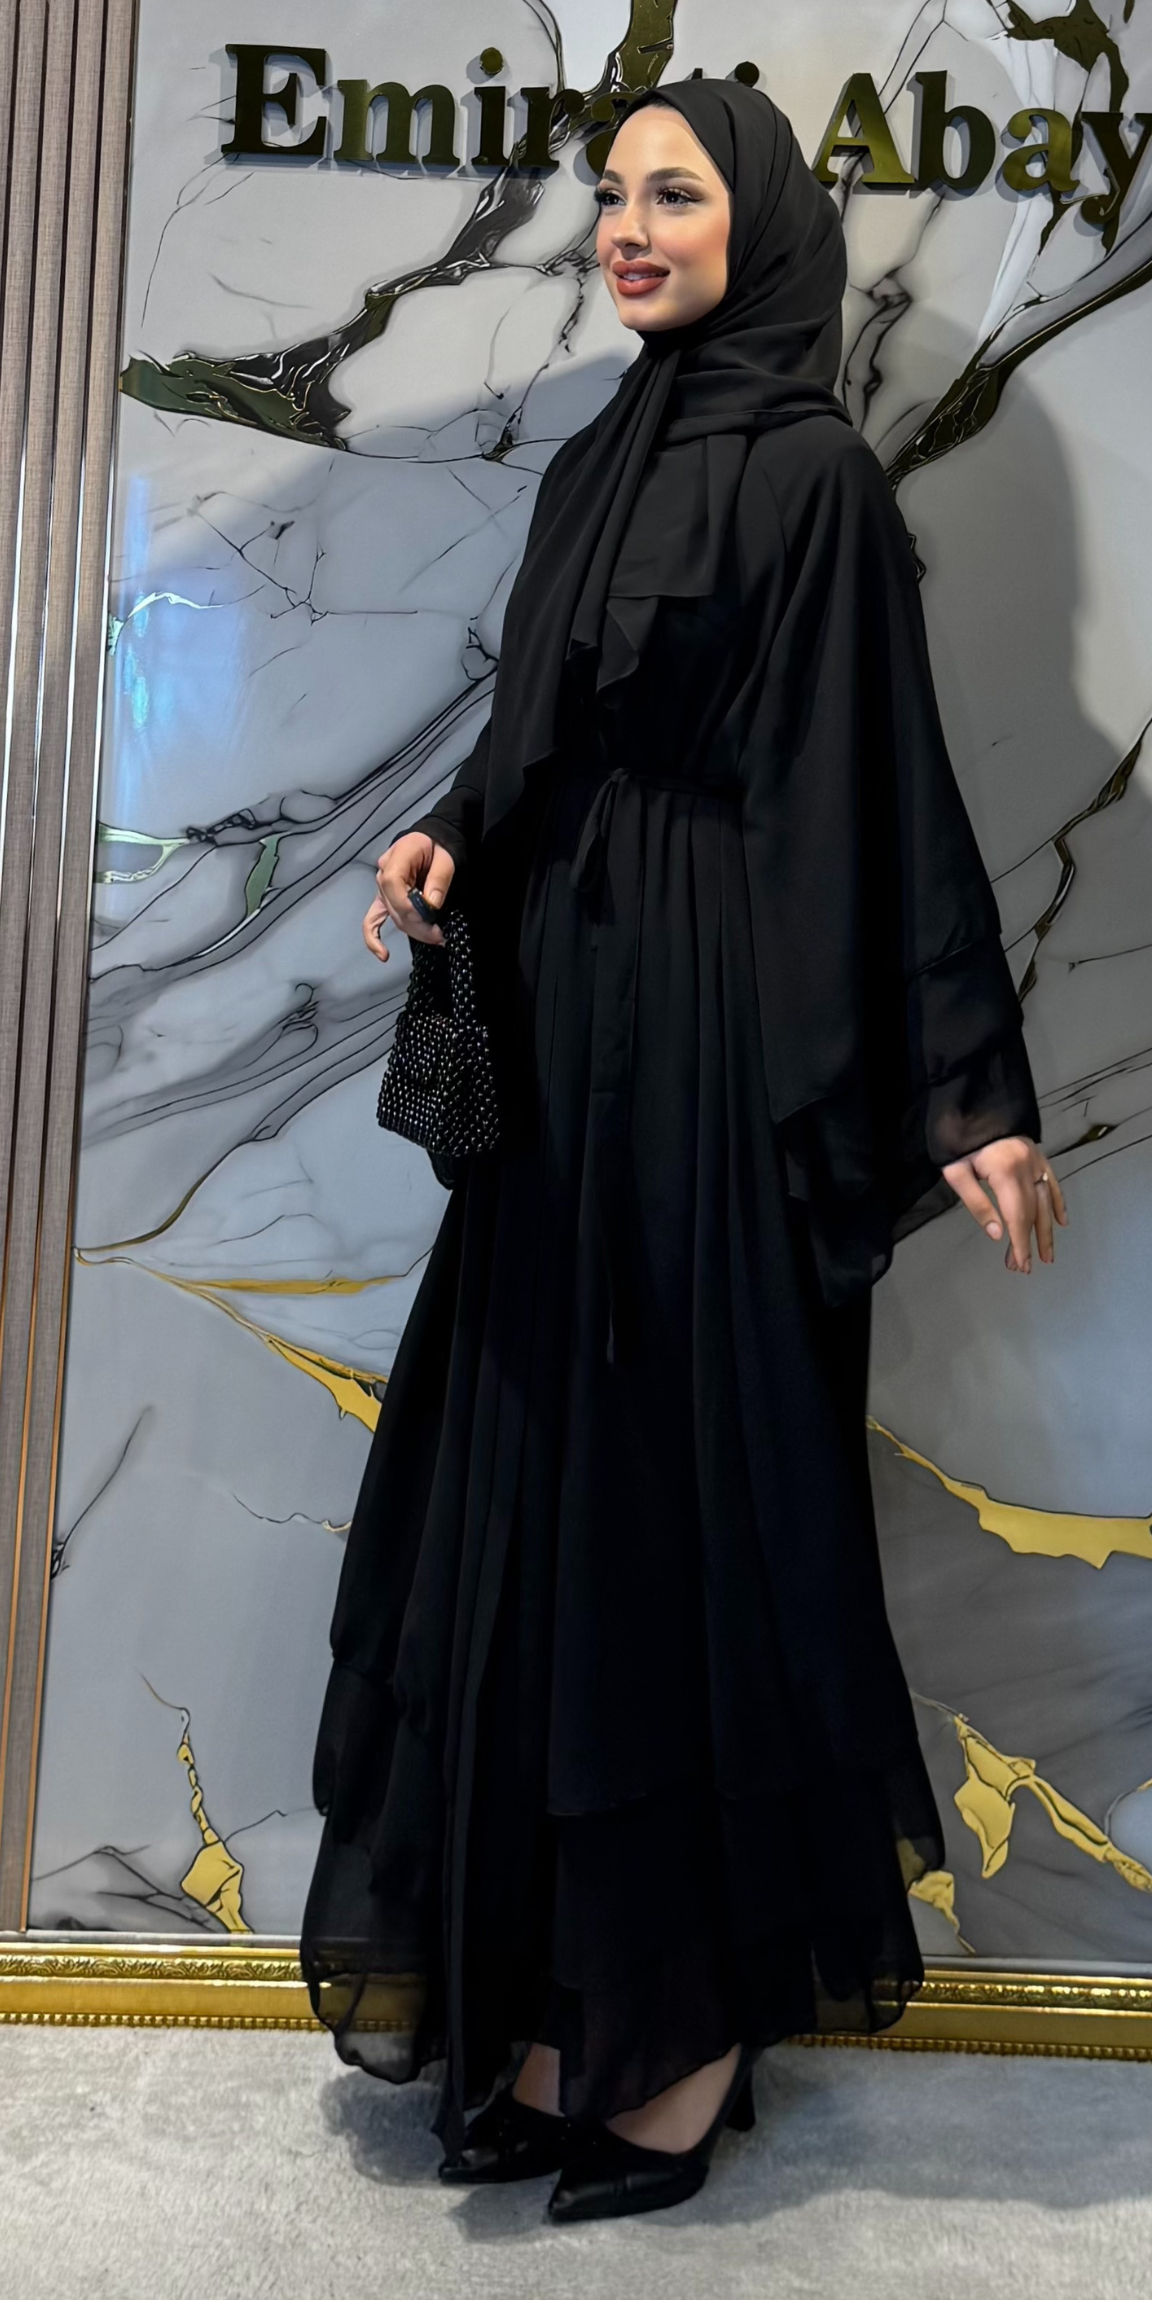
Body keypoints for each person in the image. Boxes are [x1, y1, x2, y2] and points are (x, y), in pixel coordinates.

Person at [299, 78, 1066, 2226]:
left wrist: (968, 1085)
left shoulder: (814, 477)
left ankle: (688, 2030)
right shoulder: (596, 456)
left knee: (681, 1513)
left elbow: (881, 785)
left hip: (716, 1050)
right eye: (613, 194)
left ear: (761, 225)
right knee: (547, 1503)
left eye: (676, 193)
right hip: (564, 1039)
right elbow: (543, 725)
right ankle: (572, 2005)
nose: (629, 225)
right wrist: (453, 832)